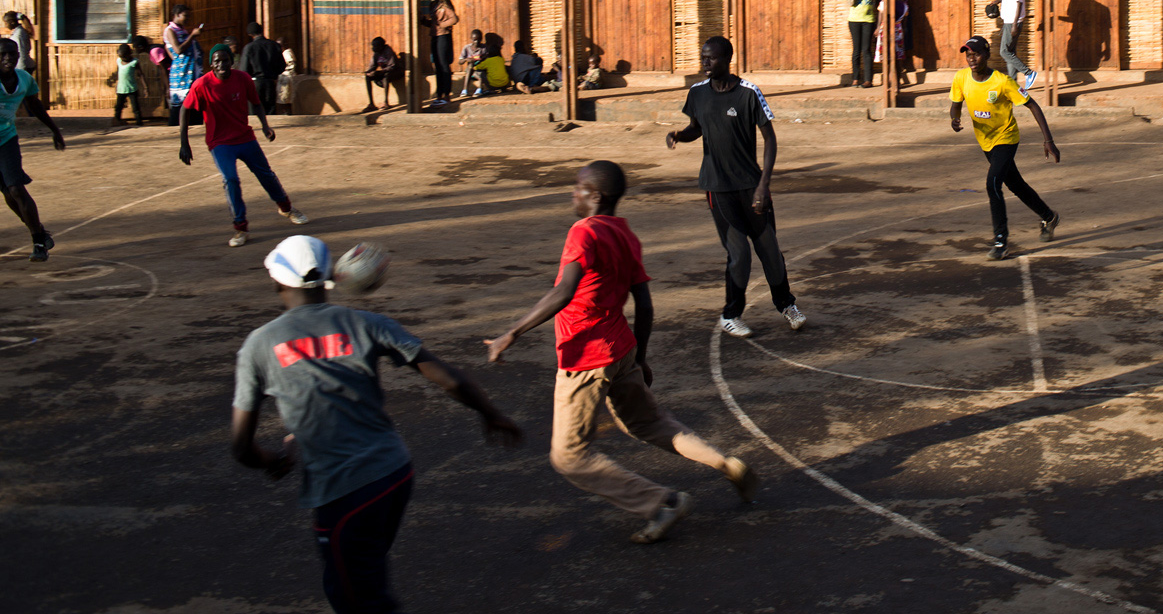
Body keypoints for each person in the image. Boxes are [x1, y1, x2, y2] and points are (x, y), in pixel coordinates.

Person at [232, 235, 521, 614]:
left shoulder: (259, 344)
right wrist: (491, 414)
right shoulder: (367, 323)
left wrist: (273, 460)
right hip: (394, 474)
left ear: (277, 281)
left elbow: (241, 446)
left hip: (343, 490)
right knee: (363, 574)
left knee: (356, 599)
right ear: (326, 280)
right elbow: (448, 377)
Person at [485, 160, 758, 545]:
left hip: (585, 359)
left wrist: (510, 334)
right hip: (621, 349)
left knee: (569, 457)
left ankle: (662, 502)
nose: (573, 195)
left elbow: (563, 292)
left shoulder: (583, 233)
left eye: (577, 188)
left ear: (595, 197)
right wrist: (641, 356)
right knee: (648, 423)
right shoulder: (625, 234)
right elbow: (644, 304)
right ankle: (723, 462)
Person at [665, 36, 805, 337]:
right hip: (717, 187)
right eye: (702, 57)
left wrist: (763, 186)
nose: (704, 63)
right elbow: (696, 129)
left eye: (710, 58)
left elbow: (770, 139)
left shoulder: (748, 93)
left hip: (751, 186)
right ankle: (731, 315)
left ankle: (786, 305)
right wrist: (679, 134)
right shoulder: (697, 94)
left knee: (769, 249)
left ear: (727, 59)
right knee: (738, 253)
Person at [179, 42, 306, 246]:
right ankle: (241, 228)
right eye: (217, 61)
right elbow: (185, 109)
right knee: (230, 180)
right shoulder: (202, 85)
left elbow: (256, 104)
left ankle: (286, 208)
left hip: (245, 138)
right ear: (211, 64)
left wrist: (265, 126)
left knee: (265, 174)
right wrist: (184, 142)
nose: (221, 64)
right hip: (219, 142)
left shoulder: (243, 79)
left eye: (225, 60)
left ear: (232, 61)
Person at [949, 34, 1060, 260]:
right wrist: (955, 118)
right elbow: (955, 104)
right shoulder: (961, 78)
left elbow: (1033, 106)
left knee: (992, 184)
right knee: (1016, 185)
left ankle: (1001, 241)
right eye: (968, 54)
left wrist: (1048, 140)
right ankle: (1048, 217)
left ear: (987, 55)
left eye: (976, 54)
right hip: (986, 141)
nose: (971, 58)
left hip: (1006, 138)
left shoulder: (1002, 81)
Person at [0, 37, 63, 261]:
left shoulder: (25, 79)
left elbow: (35, 106)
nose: (8, 58)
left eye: (12, 54)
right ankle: (40, 231)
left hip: (6, 139)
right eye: (3, 54)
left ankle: (38, 241)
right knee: (8, 194)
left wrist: (54, 130)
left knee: (16, 189)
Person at [163, 4, 204, 126]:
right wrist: (192, 36)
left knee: (194, 102)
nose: (188, 19)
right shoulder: (170, 31)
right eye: (185, 16)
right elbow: (178, 50)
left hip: (191, 72)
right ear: (177, 15)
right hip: (182, 75)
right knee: (181, 105)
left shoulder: (182, 30)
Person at [420, 0, 458, 107]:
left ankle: (446, 95)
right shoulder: (433, 5)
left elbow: (454, 19)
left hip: (443, 38)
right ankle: (439, 95)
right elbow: (433, 24)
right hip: (435, 37)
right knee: (437, 66)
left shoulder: (444, 5)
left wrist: (441, 25)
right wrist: (424, 21)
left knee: (443, 65)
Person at [845, 0, 879, 88]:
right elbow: (850, 3)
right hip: (854, 20)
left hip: (868, 20)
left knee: (867, 50)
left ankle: (868, 80)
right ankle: (855, 78)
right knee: (856, 50)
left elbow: (875, 2)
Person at [241, 23, 286, 115]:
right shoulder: (274, 45)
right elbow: (282, 66)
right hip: (271, 83)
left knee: (255, 113)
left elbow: (244, 70)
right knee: (270, 113)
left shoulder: (249, 48)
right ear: (262, 31)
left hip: (255, 84)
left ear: (250, 34)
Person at [466, 33, 513, 99]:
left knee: (479, 73)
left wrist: (474, 64)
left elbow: (476, 68)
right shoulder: (501, 59)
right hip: (504, 84)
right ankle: (503, 88)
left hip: (493, 85)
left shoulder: (488, 61)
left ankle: (483, 88)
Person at [111, 42, 144, 127]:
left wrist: (145, 87)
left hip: (132, 88)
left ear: (130, 54)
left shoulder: (134, 62)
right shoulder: (119, 61)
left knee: (135, 107)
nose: (122, 58)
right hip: (121, 88)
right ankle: (117, 120)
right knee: (118, 107)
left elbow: (140, 75)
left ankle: (139, 122)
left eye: (124, 56)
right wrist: (116, 84)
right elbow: (118, 73)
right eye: (121, 57)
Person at [362, 37, 398, 112]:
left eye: (375, 46)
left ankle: (386, 102)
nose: (373, 48)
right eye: (373, 46)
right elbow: (373, 66)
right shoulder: (376, 53)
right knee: (367, 77)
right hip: (383, 72)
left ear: (381, 46)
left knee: (386, 77)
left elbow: (392, 66)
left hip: (395, 72)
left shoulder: (388, 51)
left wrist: (380, 72)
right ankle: (371, 104)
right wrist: (369, 72)